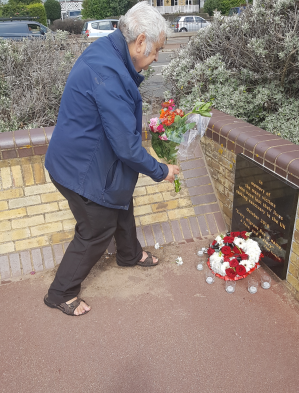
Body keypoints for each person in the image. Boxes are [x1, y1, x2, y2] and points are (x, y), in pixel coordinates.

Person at [43, 1, 179, 316]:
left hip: (85, 159)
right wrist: (161, 171)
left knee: (120, 198)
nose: (156, 57)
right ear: (141, 41)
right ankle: (60, 292)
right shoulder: (110, 72)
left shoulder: (110, 51)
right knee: (97, 228)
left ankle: (129, 254)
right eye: (156, 49)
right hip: (80, 169)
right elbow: (127, 148)